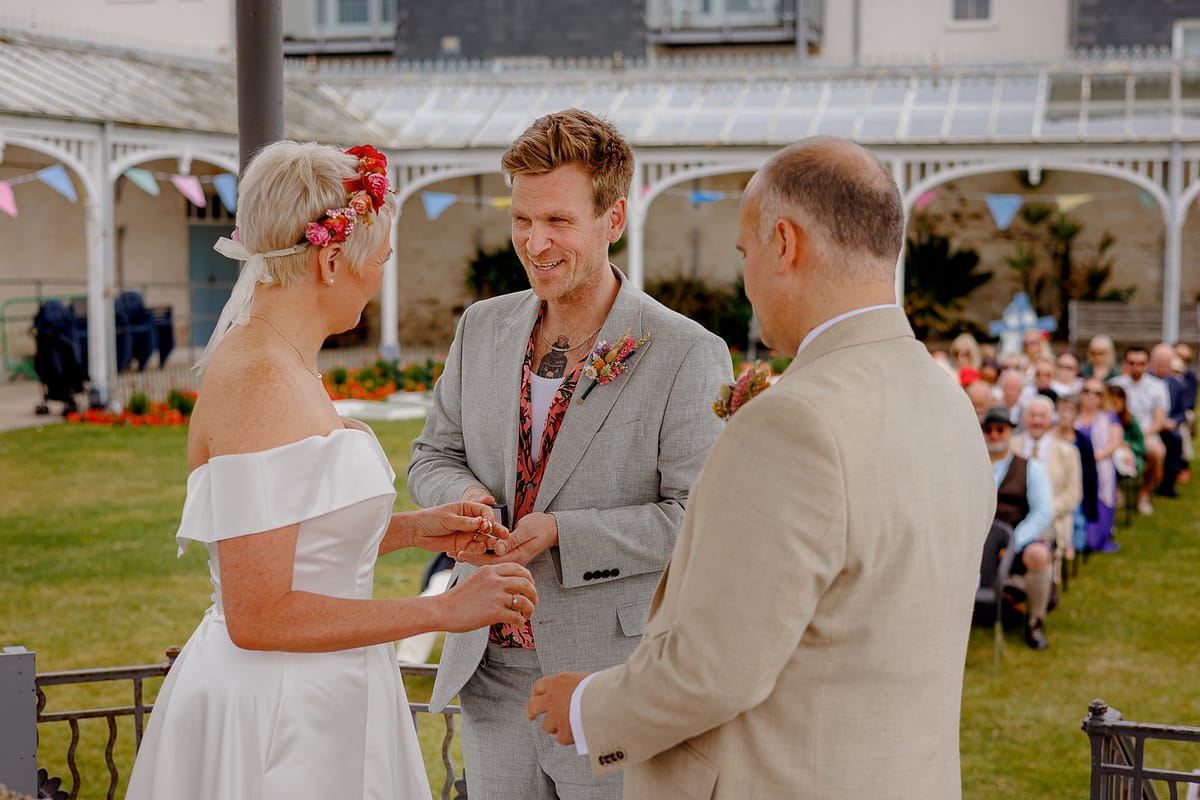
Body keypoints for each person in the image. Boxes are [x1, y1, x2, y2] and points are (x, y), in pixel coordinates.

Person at [525, 137, 996, 798]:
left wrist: (584, 708)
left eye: (745, 254)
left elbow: (713, 669)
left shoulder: (795, 422)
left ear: (785, 243)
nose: (746, 278)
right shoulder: (945, 397)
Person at [125, 141, 539, 800]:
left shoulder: (282, 360)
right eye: (378, 260)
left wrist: (414, 529)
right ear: (329, 260)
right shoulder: (259, 379)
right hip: (282, 715)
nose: (378, 276)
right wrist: (445, 611)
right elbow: (257, 614)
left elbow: (294, 534)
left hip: (329, 689)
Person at [407, 109, 731, 800]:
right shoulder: (481, 327)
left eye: (557, 221)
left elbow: (697, 519)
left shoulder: (688, 354)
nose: (534, 242)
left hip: (611, 678)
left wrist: (564, 534)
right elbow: (433, 453)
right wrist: (466, 499)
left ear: (613, 219)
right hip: (488, 669)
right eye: (522, 219)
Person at [980, 406, 1055, 650]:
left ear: (1010, 432)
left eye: (1000, 429)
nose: (994, 435)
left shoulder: (1029, 468)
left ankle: (1034, 621)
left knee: (1039, 555)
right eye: (988, 430)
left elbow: (1042, 512)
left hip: (1013, 542)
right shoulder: (971, 466)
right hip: (973, 543)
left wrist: (1013, 543)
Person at [1010, 395, 1082, 581]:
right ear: (1025, 419)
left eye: (1042, 416)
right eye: (1032, 415)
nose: (1037, 421)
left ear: (1050, 420)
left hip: (1051, 517)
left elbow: (1073, 494)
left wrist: (1044, 511)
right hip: (1013, 514)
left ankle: (1039, 582)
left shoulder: (1067, 452)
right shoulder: (1010, 446)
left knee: (1038, 532)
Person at [1110, 345, 1169, 514]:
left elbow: (1159, 421)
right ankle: (1115, 491)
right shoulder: (1115, 384)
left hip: (1146, 433)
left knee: (1158, 452)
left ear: (1148, 364)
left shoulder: (1158, 387)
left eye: (1141, 363)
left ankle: (1144, 494)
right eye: (1132, 363)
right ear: (1126, 363)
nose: (1136, 367)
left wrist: (1138, 437)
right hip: (1117, 432)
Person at [1076, 377, 1124, 552]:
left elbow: (1113, 443)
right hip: (1075, 468)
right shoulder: (1073, 416)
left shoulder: (1109, 418)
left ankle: (1097, 539)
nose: (1091, 396)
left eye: (1097, 393)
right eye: (1087, 391)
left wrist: (1092, 458)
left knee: (1100, 501)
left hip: (1099, 468)